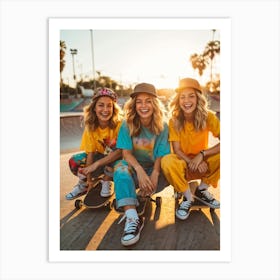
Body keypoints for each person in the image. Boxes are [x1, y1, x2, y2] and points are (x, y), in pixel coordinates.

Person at [113, 83, 170, 246]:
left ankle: (140, 195)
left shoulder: (163, 126)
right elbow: (126, 154)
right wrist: (139, 170)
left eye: (148, 101)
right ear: (134, 104)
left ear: (154, 104)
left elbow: (161, 154)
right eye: (139, 101)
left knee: (167, 166)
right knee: (120, 167)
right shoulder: (127, 124)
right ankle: (132, 218)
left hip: (154, 169)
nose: (143, 106)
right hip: (134, 168)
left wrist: (155, 173)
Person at [161, 77, 220, 221]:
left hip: (202, 163)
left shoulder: (209, 117)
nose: (187, 101)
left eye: (191, 96)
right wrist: (193, 161)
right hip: (183, 162)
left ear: (198, 98)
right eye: (183, 97)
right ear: (178, 100)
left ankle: (202, 190)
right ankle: (187, 198)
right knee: (167, 160)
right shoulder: (173, 120)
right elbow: (177, 150)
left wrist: (202, 155)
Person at [65, 87, 123, 200]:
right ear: (94, 108)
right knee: (75, 161)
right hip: (101, 159)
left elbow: (120, 152)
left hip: (118, 161)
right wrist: (89, 179)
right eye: (101, 105)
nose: (105, 110)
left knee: (113, 147)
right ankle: (83, 185)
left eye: (109, 106)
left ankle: (107, 181)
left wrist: (95, 166)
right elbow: (90, 154)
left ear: (114, 109)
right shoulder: (91, 128)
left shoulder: (120, 124)